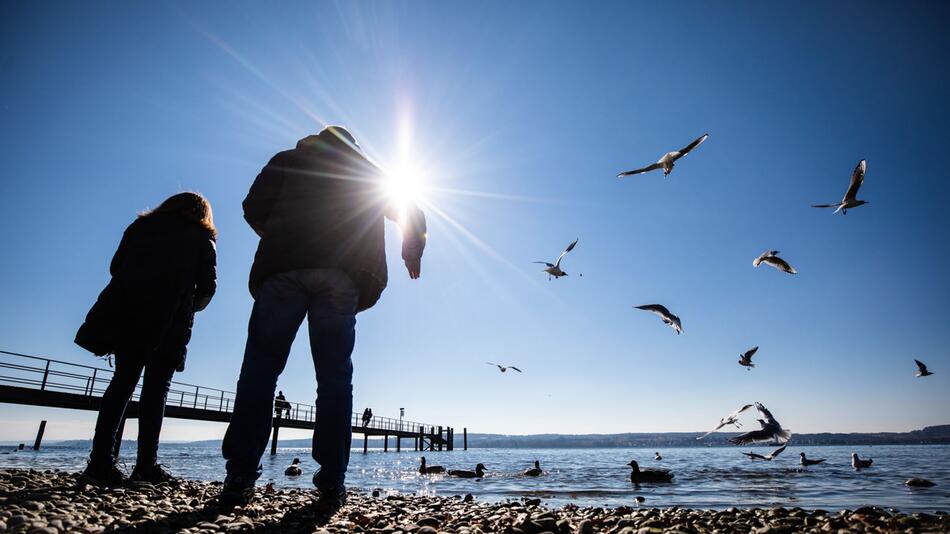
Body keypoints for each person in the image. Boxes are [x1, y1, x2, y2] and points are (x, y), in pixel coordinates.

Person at [219, 126, 426, 511]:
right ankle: (331, 481)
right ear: (353, 145)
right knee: (333, 379)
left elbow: (252, 206)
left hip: (283, 270)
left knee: (260, 372)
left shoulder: (287, 159)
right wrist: (413, 246)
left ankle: (239, 475)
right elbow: (410, 209)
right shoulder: (366, 168)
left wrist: (281, 235)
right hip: (341, 274)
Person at [75, 192, 217, 486]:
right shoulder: (202, 239)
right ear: (202, 214)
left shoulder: (140, 228)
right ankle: (145, 467)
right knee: (156, 393)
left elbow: (116, 268)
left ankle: (100, 463)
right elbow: (206, 289)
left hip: (130, 316)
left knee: (121, 385)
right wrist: (188, 304)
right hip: (170, 323)